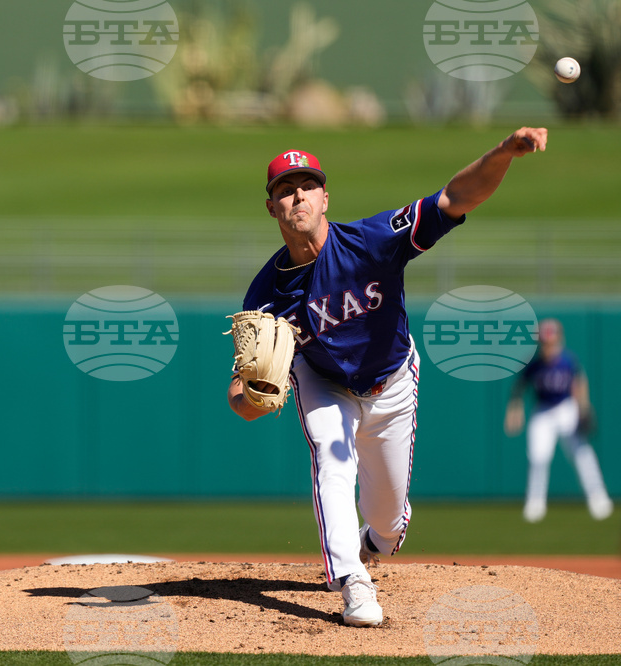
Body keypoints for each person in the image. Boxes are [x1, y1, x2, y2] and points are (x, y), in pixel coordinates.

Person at [227, 128, 548, 627]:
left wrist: (504, 152)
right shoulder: (265, 295)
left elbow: (454, 198)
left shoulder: (371, 241)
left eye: (307, 185)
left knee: (388, 526)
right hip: (325, 384)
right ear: (272, 208)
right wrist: (252, 395)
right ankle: (352, 582)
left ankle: (372, 543)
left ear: (324, 196)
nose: (298, 195)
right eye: (286, 189)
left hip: (393, 381)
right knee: (331, 464)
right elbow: (240, 398)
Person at [504, 318, 613, 523]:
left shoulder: (567, 360)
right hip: (543, 412)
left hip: (566, 408)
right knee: (538, 457)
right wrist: (514, 411)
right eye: (544, 343)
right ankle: (535, 503)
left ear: (558, 340)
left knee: (582, 454)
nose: (548, 347)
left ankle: (598, 498)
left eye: (551, 342)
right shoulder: (534, 365)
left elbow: (579, 382)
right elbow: (518, 388)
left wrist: (584, 408)